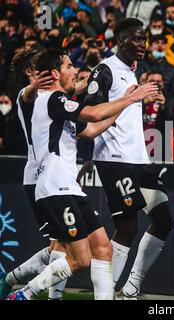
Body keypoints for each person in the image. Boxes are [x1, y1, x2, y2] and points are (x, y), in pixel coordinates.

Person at [7, 48, 158, 300]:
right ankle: (24, 293)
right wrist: (132, 98)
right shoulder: (48, 99)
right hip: (53, 185)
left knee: (102, 248)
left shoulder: (59, 103)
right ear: (52, 73)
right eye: (68, 67)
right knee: (75, 257)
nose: (74, 70)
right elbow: (93, 112)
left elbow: (90, 129)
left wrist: (124, 100)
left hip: (69, 186)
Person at [81, 18, 174, 300]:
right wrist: (88, 156)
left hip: (138, 160)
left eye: (144, 39)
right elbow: (87, 112)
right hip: (114, 158)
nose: (142, 44)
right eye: (136, 39)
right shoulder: (106, 70)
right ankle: (106, 294)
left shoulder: (132, 73)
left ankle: (131, 286)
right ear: (120, 41)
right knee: (128, 226)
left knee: (163, 219)